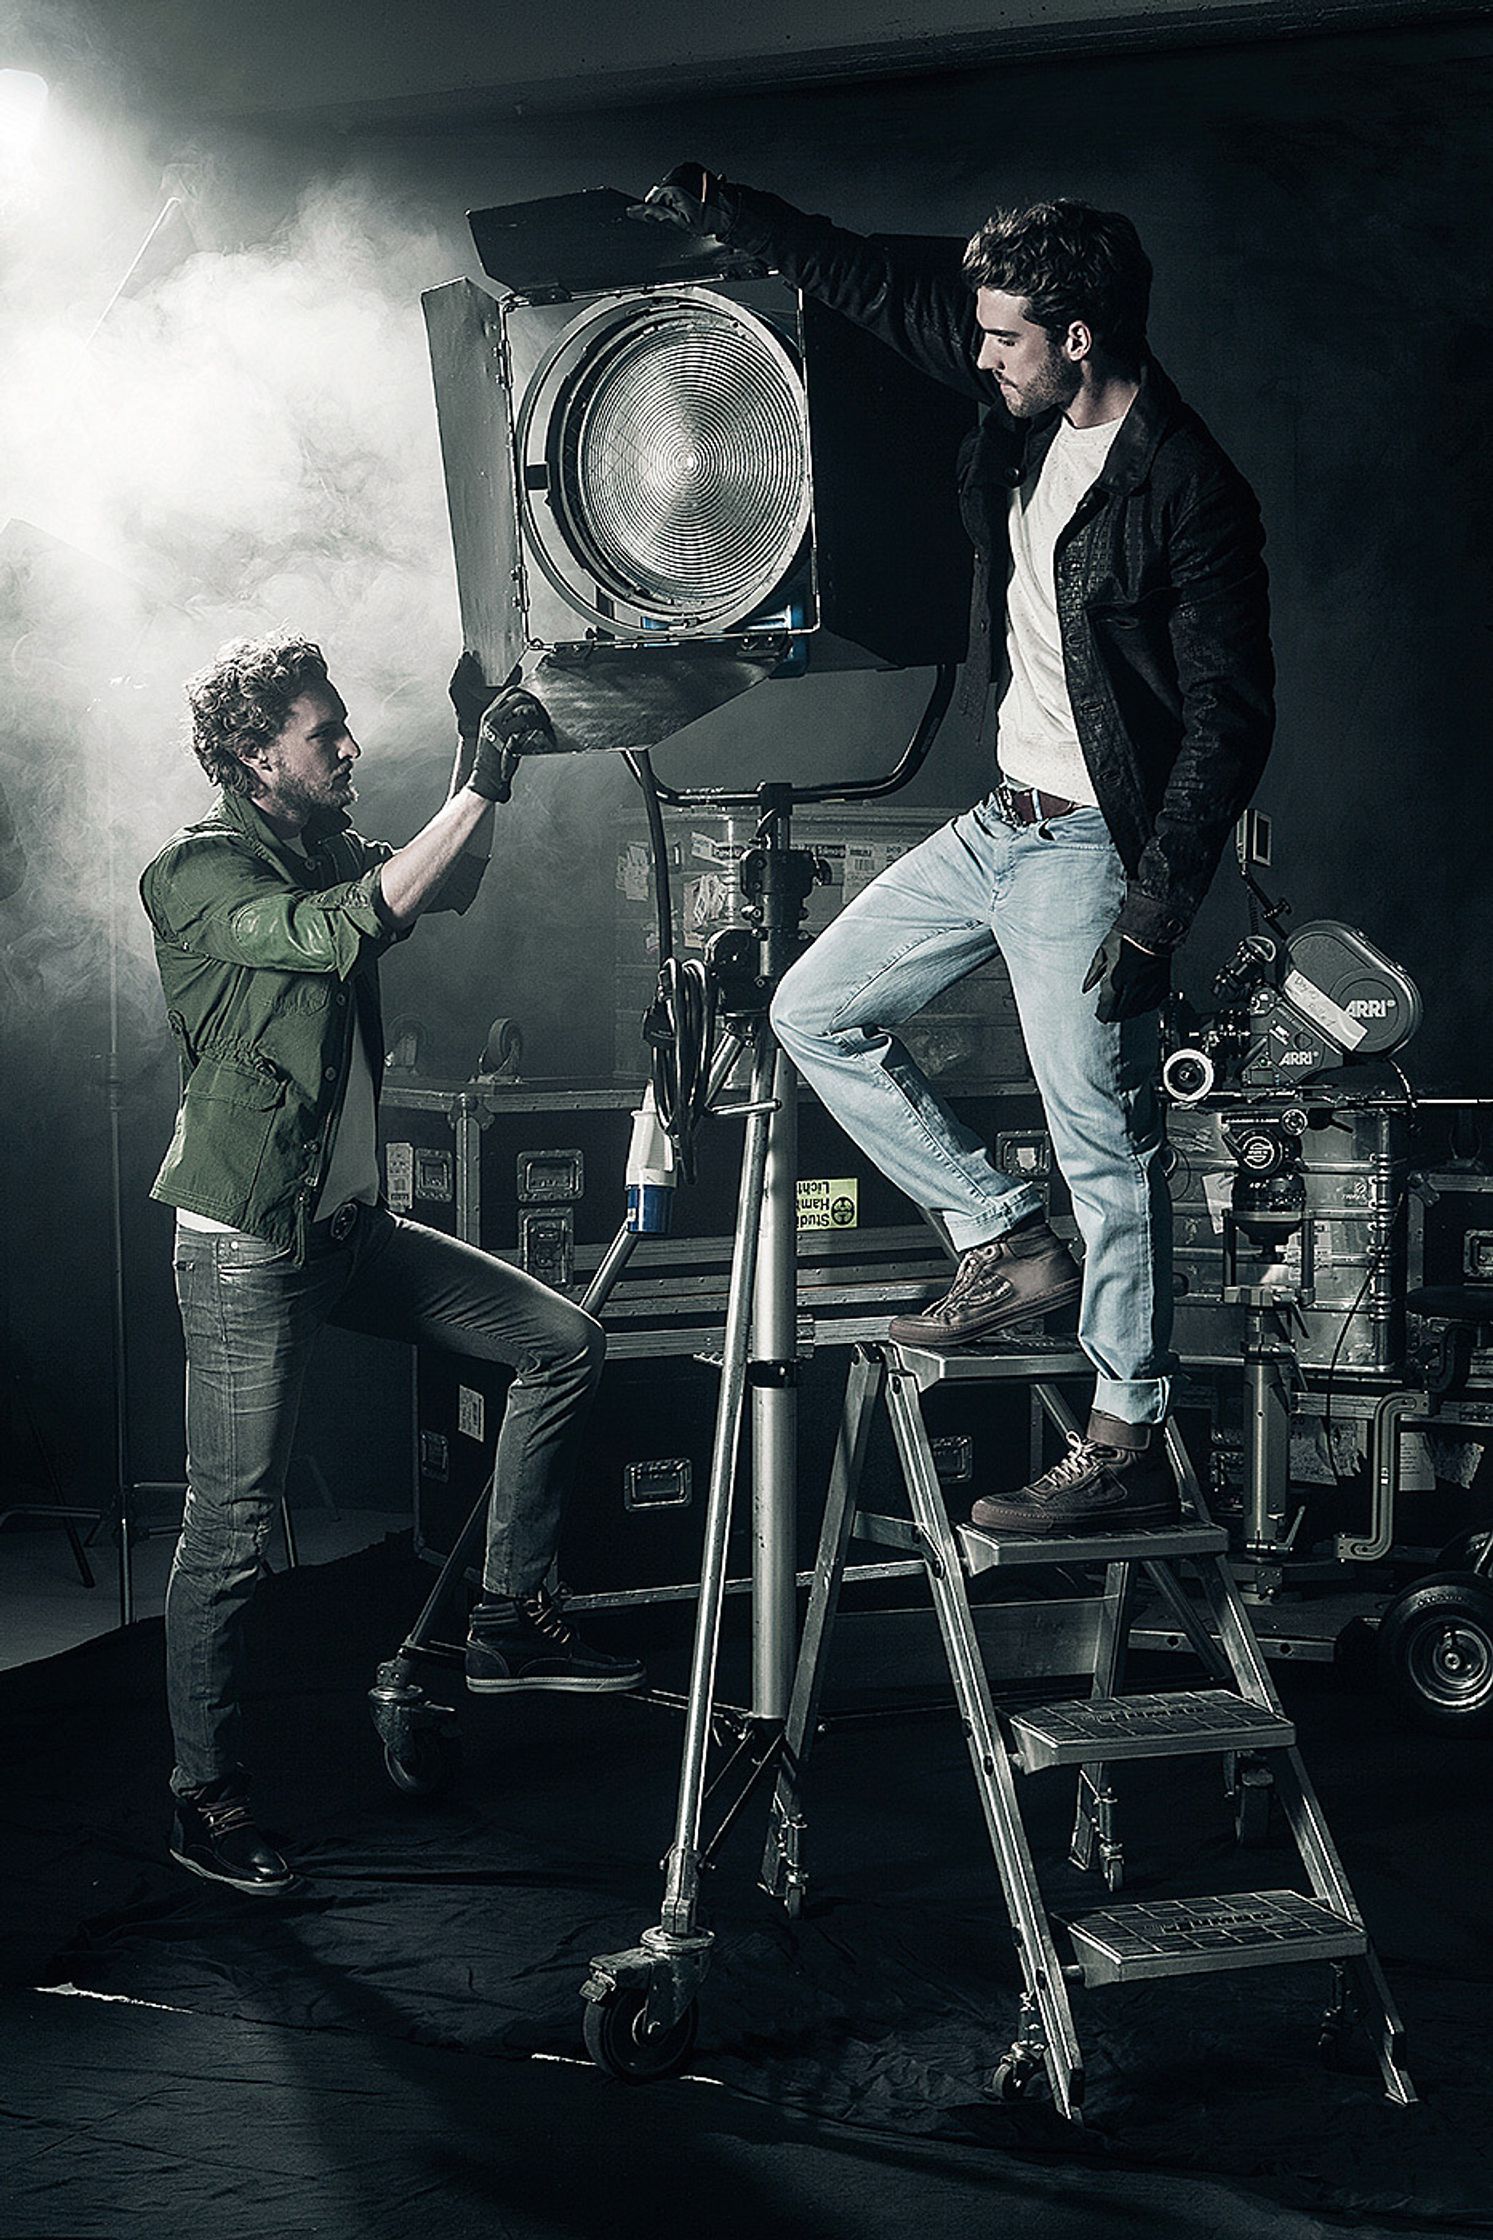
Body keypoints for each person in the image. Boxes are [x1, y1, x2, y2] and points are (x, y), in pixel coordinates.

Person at [636, 167, 1274, 1534]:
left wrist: (1156, 916)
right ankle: (998, 1237)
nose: (977, 353)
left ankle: (1125, 1435)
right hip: (1000, 824)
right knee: (812, 1007)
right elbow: (866, 279)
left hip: (1097, 850)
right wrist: (731, 209)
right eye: (980, 331)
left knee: (1101, 1139)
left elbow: (1229, 722)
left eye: (1003, 336)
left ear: (1080, 338)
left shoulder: (1187, 491)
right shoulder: (1018, 400)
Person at [140, 635, 641, 1895]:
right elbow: (347, 924)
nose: (349, 746)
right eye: (324, 733)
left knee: (559, 1341)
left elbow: (445, 885)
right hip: (249, 1246)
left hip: (343, 1230)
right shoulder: (196, 875)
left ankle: (503, 1617)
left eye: (344, 724)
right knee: (234, 1532)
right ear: (258, 753)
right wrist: (472, 773)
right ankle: (203, 1797)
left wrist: (499, 774)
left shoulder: (320, 846)